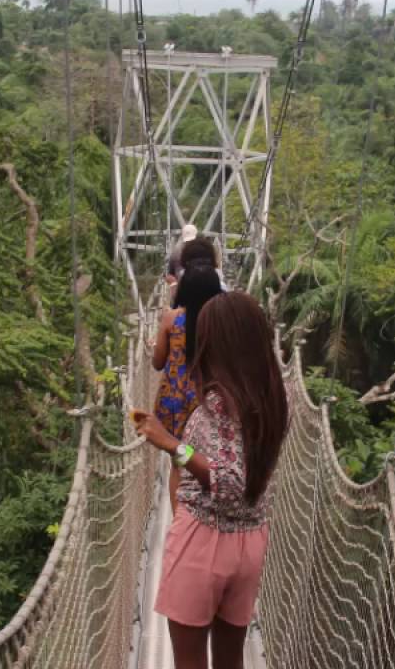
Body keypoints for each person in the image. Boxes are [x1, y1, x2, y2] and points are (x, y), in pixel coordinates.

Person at [134, 291, 289, 669]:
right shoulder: (273, 397)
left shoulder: (220, 403)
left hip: (204, 541)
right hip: (250, 543)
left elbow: (229, 484)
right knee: (230, 659)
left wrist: (171, 444)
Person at [153, 264, 224, 511]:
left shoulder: (172, 319)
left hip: (176, 404)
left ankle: (178, 524)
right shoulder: (222, 321)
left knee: (180, 462)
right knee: (209, 461)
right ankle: (208, 517)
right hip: (211, 402)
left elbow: (157, 363)